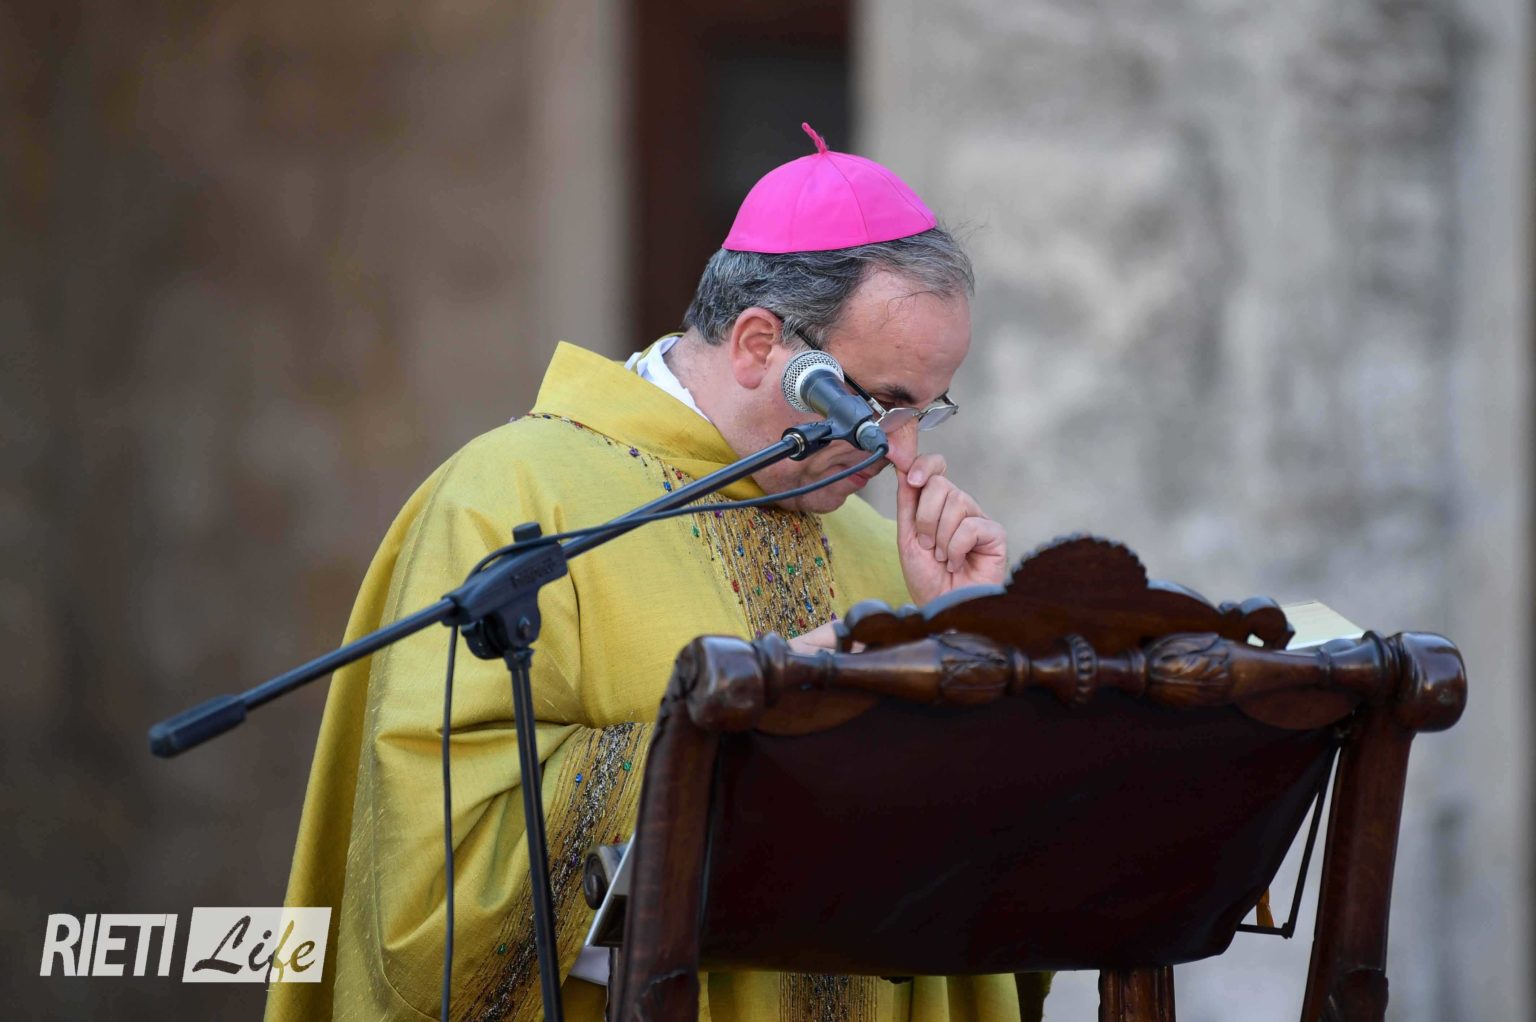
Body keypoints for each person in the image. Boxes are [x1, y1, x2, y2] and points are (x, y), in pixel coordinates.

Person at [266, 124, 1045, 1021]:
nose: (898, 453)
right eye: (876, 405)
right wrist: (756, 720)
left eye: (925, 412)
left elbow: (992, 901)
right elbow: (437, 880)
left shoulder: (887, 554)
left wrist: (974, 651)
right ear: (760, 345)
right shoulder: (513, 500)